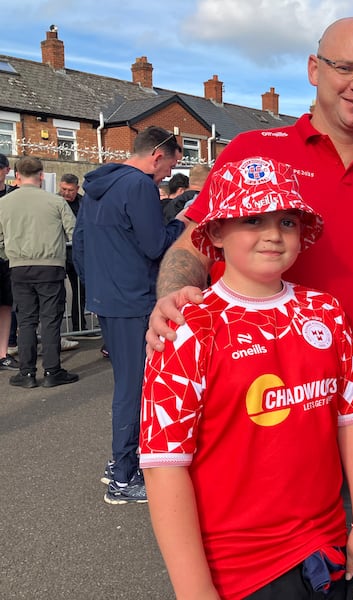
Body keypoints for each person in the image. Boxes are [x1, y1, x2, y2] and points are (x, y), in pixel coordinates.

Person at [146, 17, 353, 494]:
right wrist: (172, 296)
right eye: (345, 67)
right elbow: (194, 240)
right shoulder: (254, 151)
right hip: (255, 392)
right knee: (251, 541)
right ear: (314, 69)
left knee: (348, 543)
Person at [140, 155, 353, 599]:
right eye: (252, 218)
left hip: (325, 549)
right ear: (215, 231)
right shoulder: (187, 326)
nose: (272, 234)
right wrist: (194, 590)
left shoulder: (326, 311)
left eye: (287, 221)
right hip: (239, 570)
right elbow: (164, 467)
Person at [73, 126, 185, 504]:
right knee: (134, 387)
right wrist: (182, 223)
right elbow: (155, 244)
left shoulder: (97, 186)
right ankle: (124, 475)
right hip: (134, 299)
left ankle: (118, 465)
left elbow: (81, 245)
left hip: (109, 298)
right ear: (157, 154)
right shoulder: (139, 186)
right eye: (172, 162)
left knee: (127, 382)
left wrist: (98, 288)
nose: (170, 172)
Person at [0, 157, 78, 388]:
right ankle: (53, 371)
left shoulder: (4, 203)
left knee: (25, 321)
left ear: (17, 176)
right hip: (50, 266)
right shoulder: (55, 201)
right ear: (42, 175)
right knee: (51, 320)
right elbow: (73, 231)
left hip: (19, 266)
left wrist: (9, 252)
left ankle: (27, 373)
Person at [59, 173, 87, 335]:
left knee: (79, 292)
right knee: (58, 294)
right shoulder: (55, 202)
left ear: (77, 189)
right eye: (63, 189)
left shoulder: (84, 203)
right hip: (60, 253)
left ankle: (79, 325)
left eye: (70, 190)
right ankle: (59, 330)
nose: (66, 193)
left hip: (77, 254)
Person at [0, 153, 19, 370]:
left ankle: (3, 353)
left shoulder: (13, 194)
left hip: (8, 257)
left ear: (6, 170)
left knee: (6, 306)